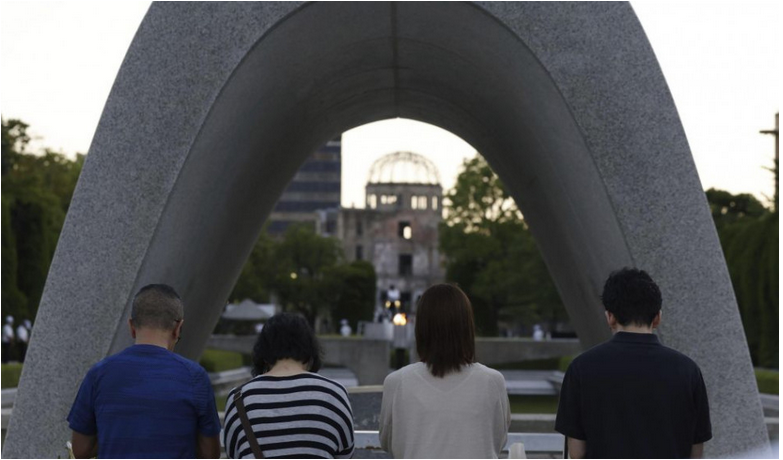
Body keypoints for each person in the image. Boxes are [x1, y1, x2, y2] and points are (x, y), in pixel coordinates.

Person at [556, 268, 713, 459]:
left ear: (610, 317)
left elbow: (576, 452)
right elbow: (695, 452)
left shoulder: (581, 368)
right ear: (657, 318)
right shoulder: (688, 371)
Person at [68, 284, 221, 459]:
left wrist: (117, 435)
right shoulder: (195, 376)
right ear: (178, 328)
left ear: (131, 326)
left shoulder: (99, 373)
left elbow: (81, 450)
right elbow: (210, 454)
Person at [380, 284, 511, 459]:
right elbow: (498, 440)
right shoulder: (492, 381)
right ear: (467, 326)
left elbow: (387, 441)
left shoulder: (397, 382)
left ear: (421, 328)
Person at [223, 313, 355, 459]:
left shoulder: (239, 399)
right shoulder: (334, 394)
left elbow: (233, 454)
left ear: (263, 352)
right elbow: (345, 454)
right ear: (310, 349)